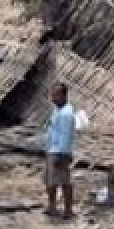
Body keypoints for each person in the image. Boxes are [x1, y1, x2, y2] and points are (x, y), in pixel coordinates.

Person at [45, 83, 77, 218]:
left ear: (64, 95)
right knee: (50, 181)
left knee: (64, 181)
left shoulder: (66, 114)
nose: (53, 98)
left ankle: (68, 210)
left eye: (56, 95)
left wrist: (62, 155)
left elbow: (66, 135)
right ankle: (52, 207)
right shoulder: (58, 110)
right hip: (52, 150)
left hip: (60, 152)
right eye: (52, 95)